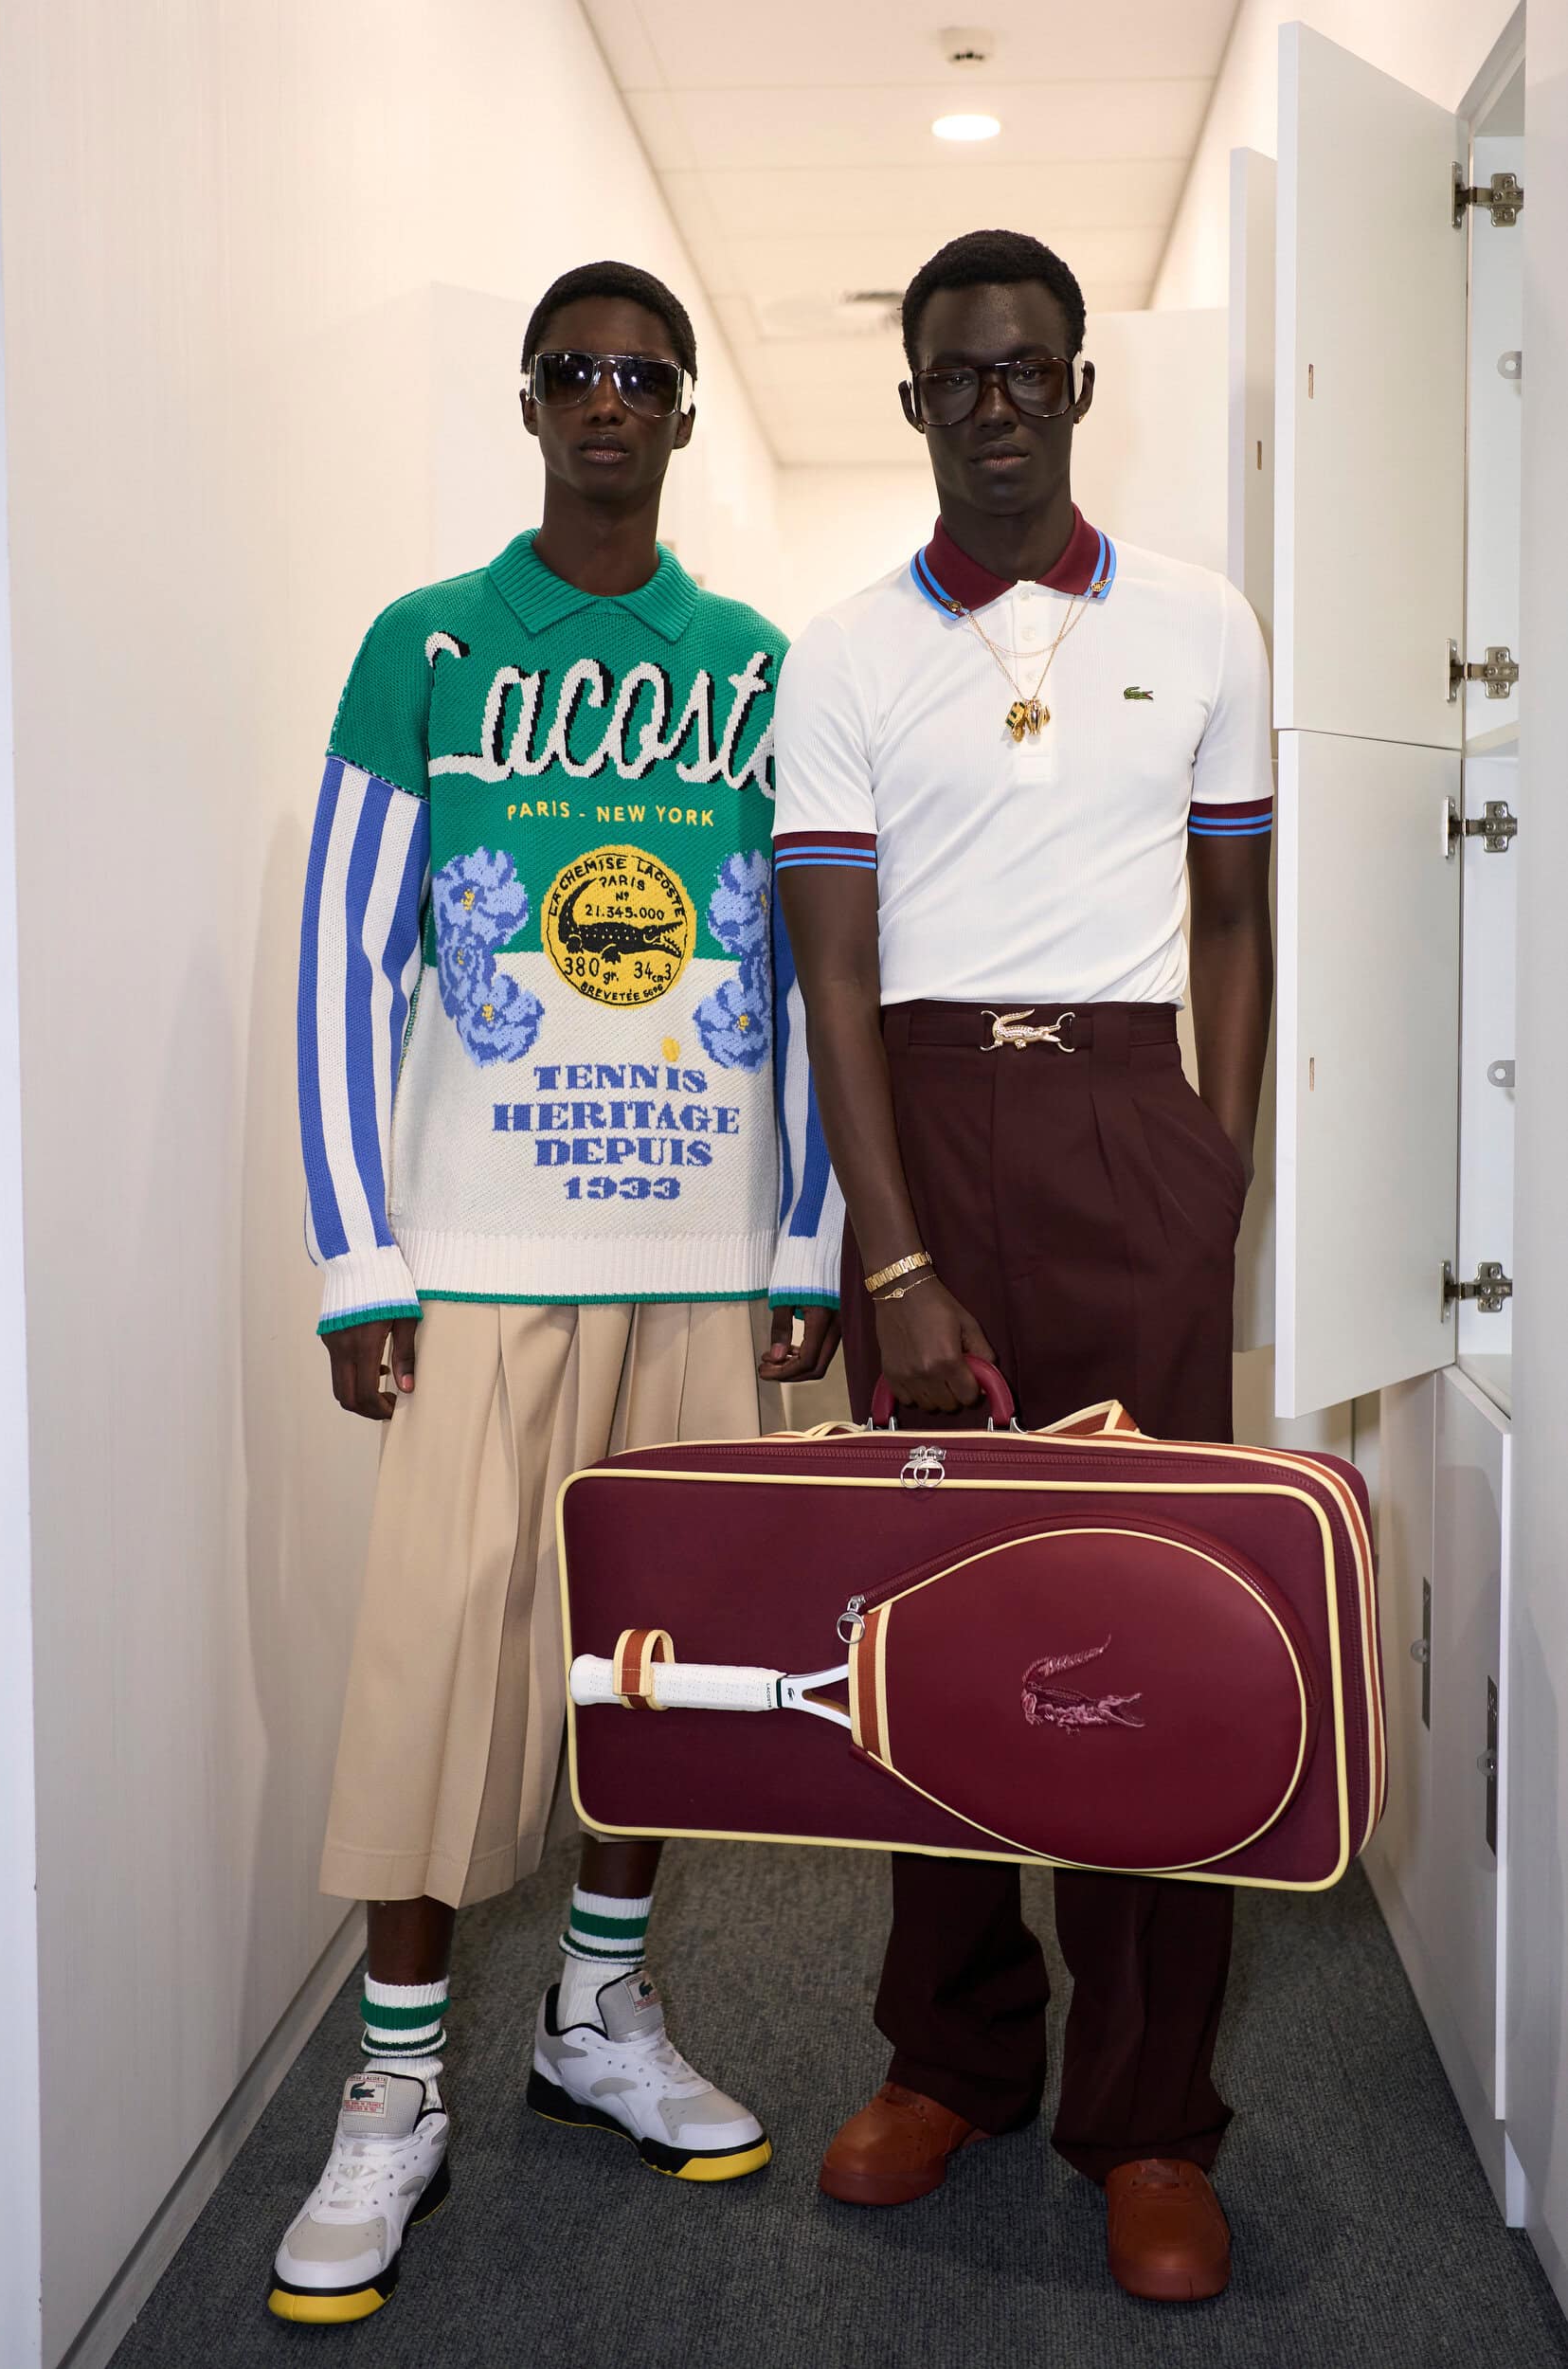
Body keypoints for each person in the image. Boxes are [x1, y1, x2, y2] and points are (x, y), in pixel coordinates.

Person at [273, 260, 841, 2324]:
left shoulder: (761, 669)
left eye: (644, 374)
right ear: (530, 404)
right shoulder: (423, 644)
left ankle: (597, 2011)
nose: (609, 398)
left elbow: (814, 967)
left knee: (655, 1667)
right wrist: (359, 1252)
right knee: (434, 1663)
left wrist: (807, 1234)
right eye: (575, 370)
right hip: (480, 1251)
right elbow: (345, 952)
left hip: (698, 1246)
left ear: (683, 414)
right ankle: (392, 2082)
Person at [772, 228, 1272, 2304]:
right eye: (957, 375)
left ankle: (1146, 2114)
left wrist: (1212, 1172)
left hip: (1129, 1123)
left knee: (1150, 1620)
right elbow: (831, 968)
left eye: (1027, 368)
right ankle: (952, 2057)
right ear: (912, 402)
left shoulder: (1202, 622)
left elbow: (1231, 917)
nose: (995, 403)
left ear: (1076, 384)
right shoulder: (839, 656)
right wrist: (890, 1252)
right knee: (931, 1622)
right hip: (926, 1127)